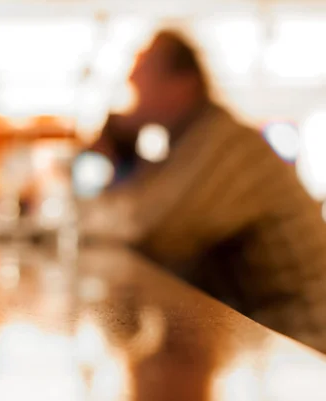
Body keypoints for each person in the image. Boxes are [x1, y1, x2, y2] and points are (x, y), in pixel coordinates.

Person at [80, 29, 326, 352]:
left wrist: (118, 149)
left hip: (307, 343)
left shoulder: (223, 146)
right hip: (270, 336)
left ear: (183, 84)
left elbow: (152, 232)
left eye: (139, 82)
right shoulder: (187, 146)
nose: (131, 94)